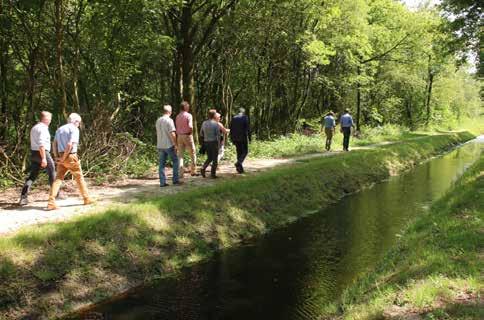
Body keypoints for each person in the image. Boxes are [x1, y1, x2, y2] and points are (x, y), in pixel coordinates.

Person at [47, 113, 94, 210]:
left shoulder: (59, 129)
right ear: (76, 121)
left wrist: (56, 157)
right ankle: (86, 198)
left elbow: (54, 143)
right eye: (79, 123)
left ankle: (51, 202)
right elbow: (69, 145)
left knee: (58, 179)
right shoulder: (74, 129)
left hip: (60, 155)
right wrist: (64, 158)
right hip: (70, 156)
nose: (79, 125)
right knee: (79, 177)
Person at [19, 111, 56, 206]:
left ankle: (23, 197)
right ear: (46, 119)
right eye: (49, 118)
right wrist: (44, 158)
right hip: (42, 153)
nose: (50, 120)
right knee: (52, 172)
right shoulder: (43, 128)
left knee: (33, 175)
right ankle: (55, 195)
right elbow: (41, 144)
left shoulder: (34, 127)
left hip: (34, 153)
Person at [156, 105, 180, 187]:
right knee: (176, 161)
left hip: (160, 145)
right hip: (168, 145)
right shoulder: (169, 120)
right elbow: (172, 133)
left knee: (161, 164)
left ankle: (162, 183)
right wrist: (176, 144)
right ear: (170, 112)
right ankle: (175, 180)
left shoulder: (158, 120)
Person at [200, 109, 226, 178]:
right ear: (214, 115)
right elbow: (218, 135)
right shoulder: (215, 124)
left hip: (206, 142)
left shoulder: (204, 123)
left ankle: (203, 168)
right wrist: (219, 144)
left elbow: (201, 134)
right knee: (215, 158)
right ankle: (213, 174)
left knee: (209, 157)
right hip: (214, 142)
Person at [175, 101, 197, 178]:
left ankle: (180, 173)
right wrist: (190, 133)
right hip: (187, 135)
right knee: (192, 153)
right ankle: (193, 171)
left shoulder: (177, 116)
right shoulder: (189, 115)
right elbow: (191, 126)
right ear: (185, 107)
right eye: (188, 106)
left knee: (180, 155)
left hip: (179, 136)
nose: (189, 107)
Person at [229, 108, 250, 173]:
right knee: (245, 151)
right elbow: (247, 128)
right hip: (242, 138)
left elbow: (231, 128)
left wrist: (231, 138)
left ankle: (239, 169)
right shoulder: (245, 117)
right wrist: (249, 137)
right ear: (243, 112)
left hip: (235, 138)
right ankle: (238, 162)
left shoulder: (234, 118)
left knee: (239, 152)